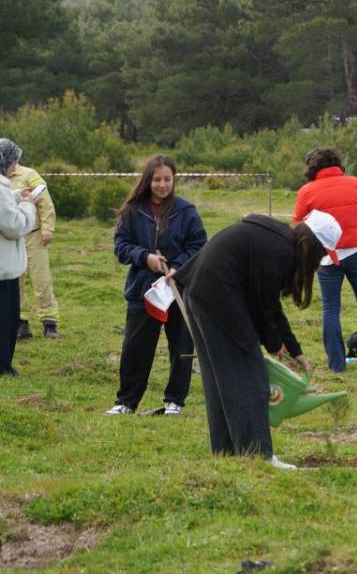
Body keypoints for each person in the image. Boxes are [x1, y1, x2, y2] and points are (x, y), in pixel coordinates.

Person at [174, 211, 330, 468]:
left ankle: (227, 453)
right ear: (312, 245)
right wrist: (274, 344)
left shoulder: (280, 242)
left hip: (201, 292)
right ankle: (257, 455)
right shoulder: (281, 252)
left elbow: (270, 304)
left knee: (221, 378)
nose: (319, 262)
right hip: (218, 297)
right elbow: (262, 306)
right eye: (322, 255)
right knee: (250, 375)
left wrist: (293, 349)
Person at [107, 156, 208, 416]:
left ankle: (175, 401)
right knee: (135, 348)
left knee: (182, 347)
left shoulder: (186, 211)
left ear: (174, 179)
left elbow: (198, 245)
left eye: (167, 179)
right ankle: (126, 402)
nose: (162, 185)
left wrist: (178, 268)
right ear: (147, 180)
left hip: (178, 290)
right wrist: (145, 257)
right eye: (157, 179)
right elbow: (120, 246)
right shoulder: (132, 211)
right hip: (143, 291)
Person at [293, 147, 357, 372]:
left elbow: (298, 226)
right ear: (338, 164)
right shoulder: (354, 182)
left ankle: (337, 364)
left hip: (326, 257)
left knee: (330, 309)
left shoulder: (306, 191)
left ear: (312, 167)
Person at [7, 158, 58, 339]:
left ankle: (49, 322)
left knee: (40, 278)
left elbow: (45, 201)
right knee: (15, 282)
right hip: (12, 237)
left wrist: (47, 229)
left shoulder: (29, 174)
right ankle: (22, 322)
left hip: (34, 234)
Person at [0, 139, 37, 377]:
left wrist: (14, 196)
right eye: (14, 161)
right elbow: (13, 225)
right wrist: (27, 205)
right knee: (6, 320)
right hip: (3, 269)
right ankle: (3, 366)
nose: (16, 166)